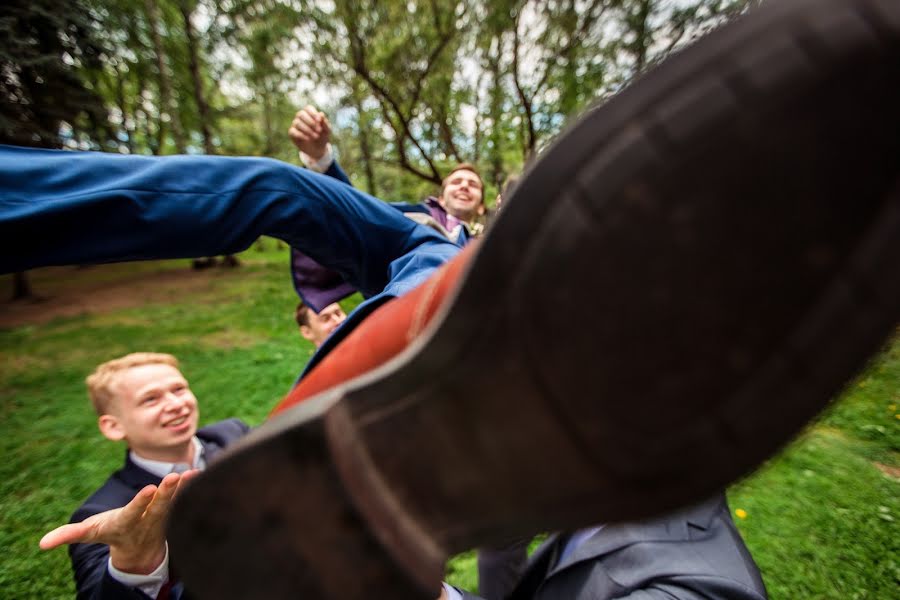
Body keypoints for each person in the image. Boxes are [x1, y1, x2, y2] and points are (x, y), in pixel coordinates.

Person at [8, 0, 900, 594]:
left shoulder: (497, 243)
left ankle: (421, 459)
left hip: (485, 351)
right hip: (435, 305)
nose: (469, 189)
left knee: (538, 524)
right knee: (280, 192)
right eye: (463, 182)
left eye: (480, 184)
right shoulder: (411, 226)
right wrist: (329, 172)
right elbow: (324, 231)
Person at [38, 353, 249, 599]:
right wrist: (133, 566)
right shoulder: (104, 512)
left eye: (178, 389)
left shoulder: (232, 434)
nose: (175, 404)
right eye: (150, 399)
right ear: (113, 426)